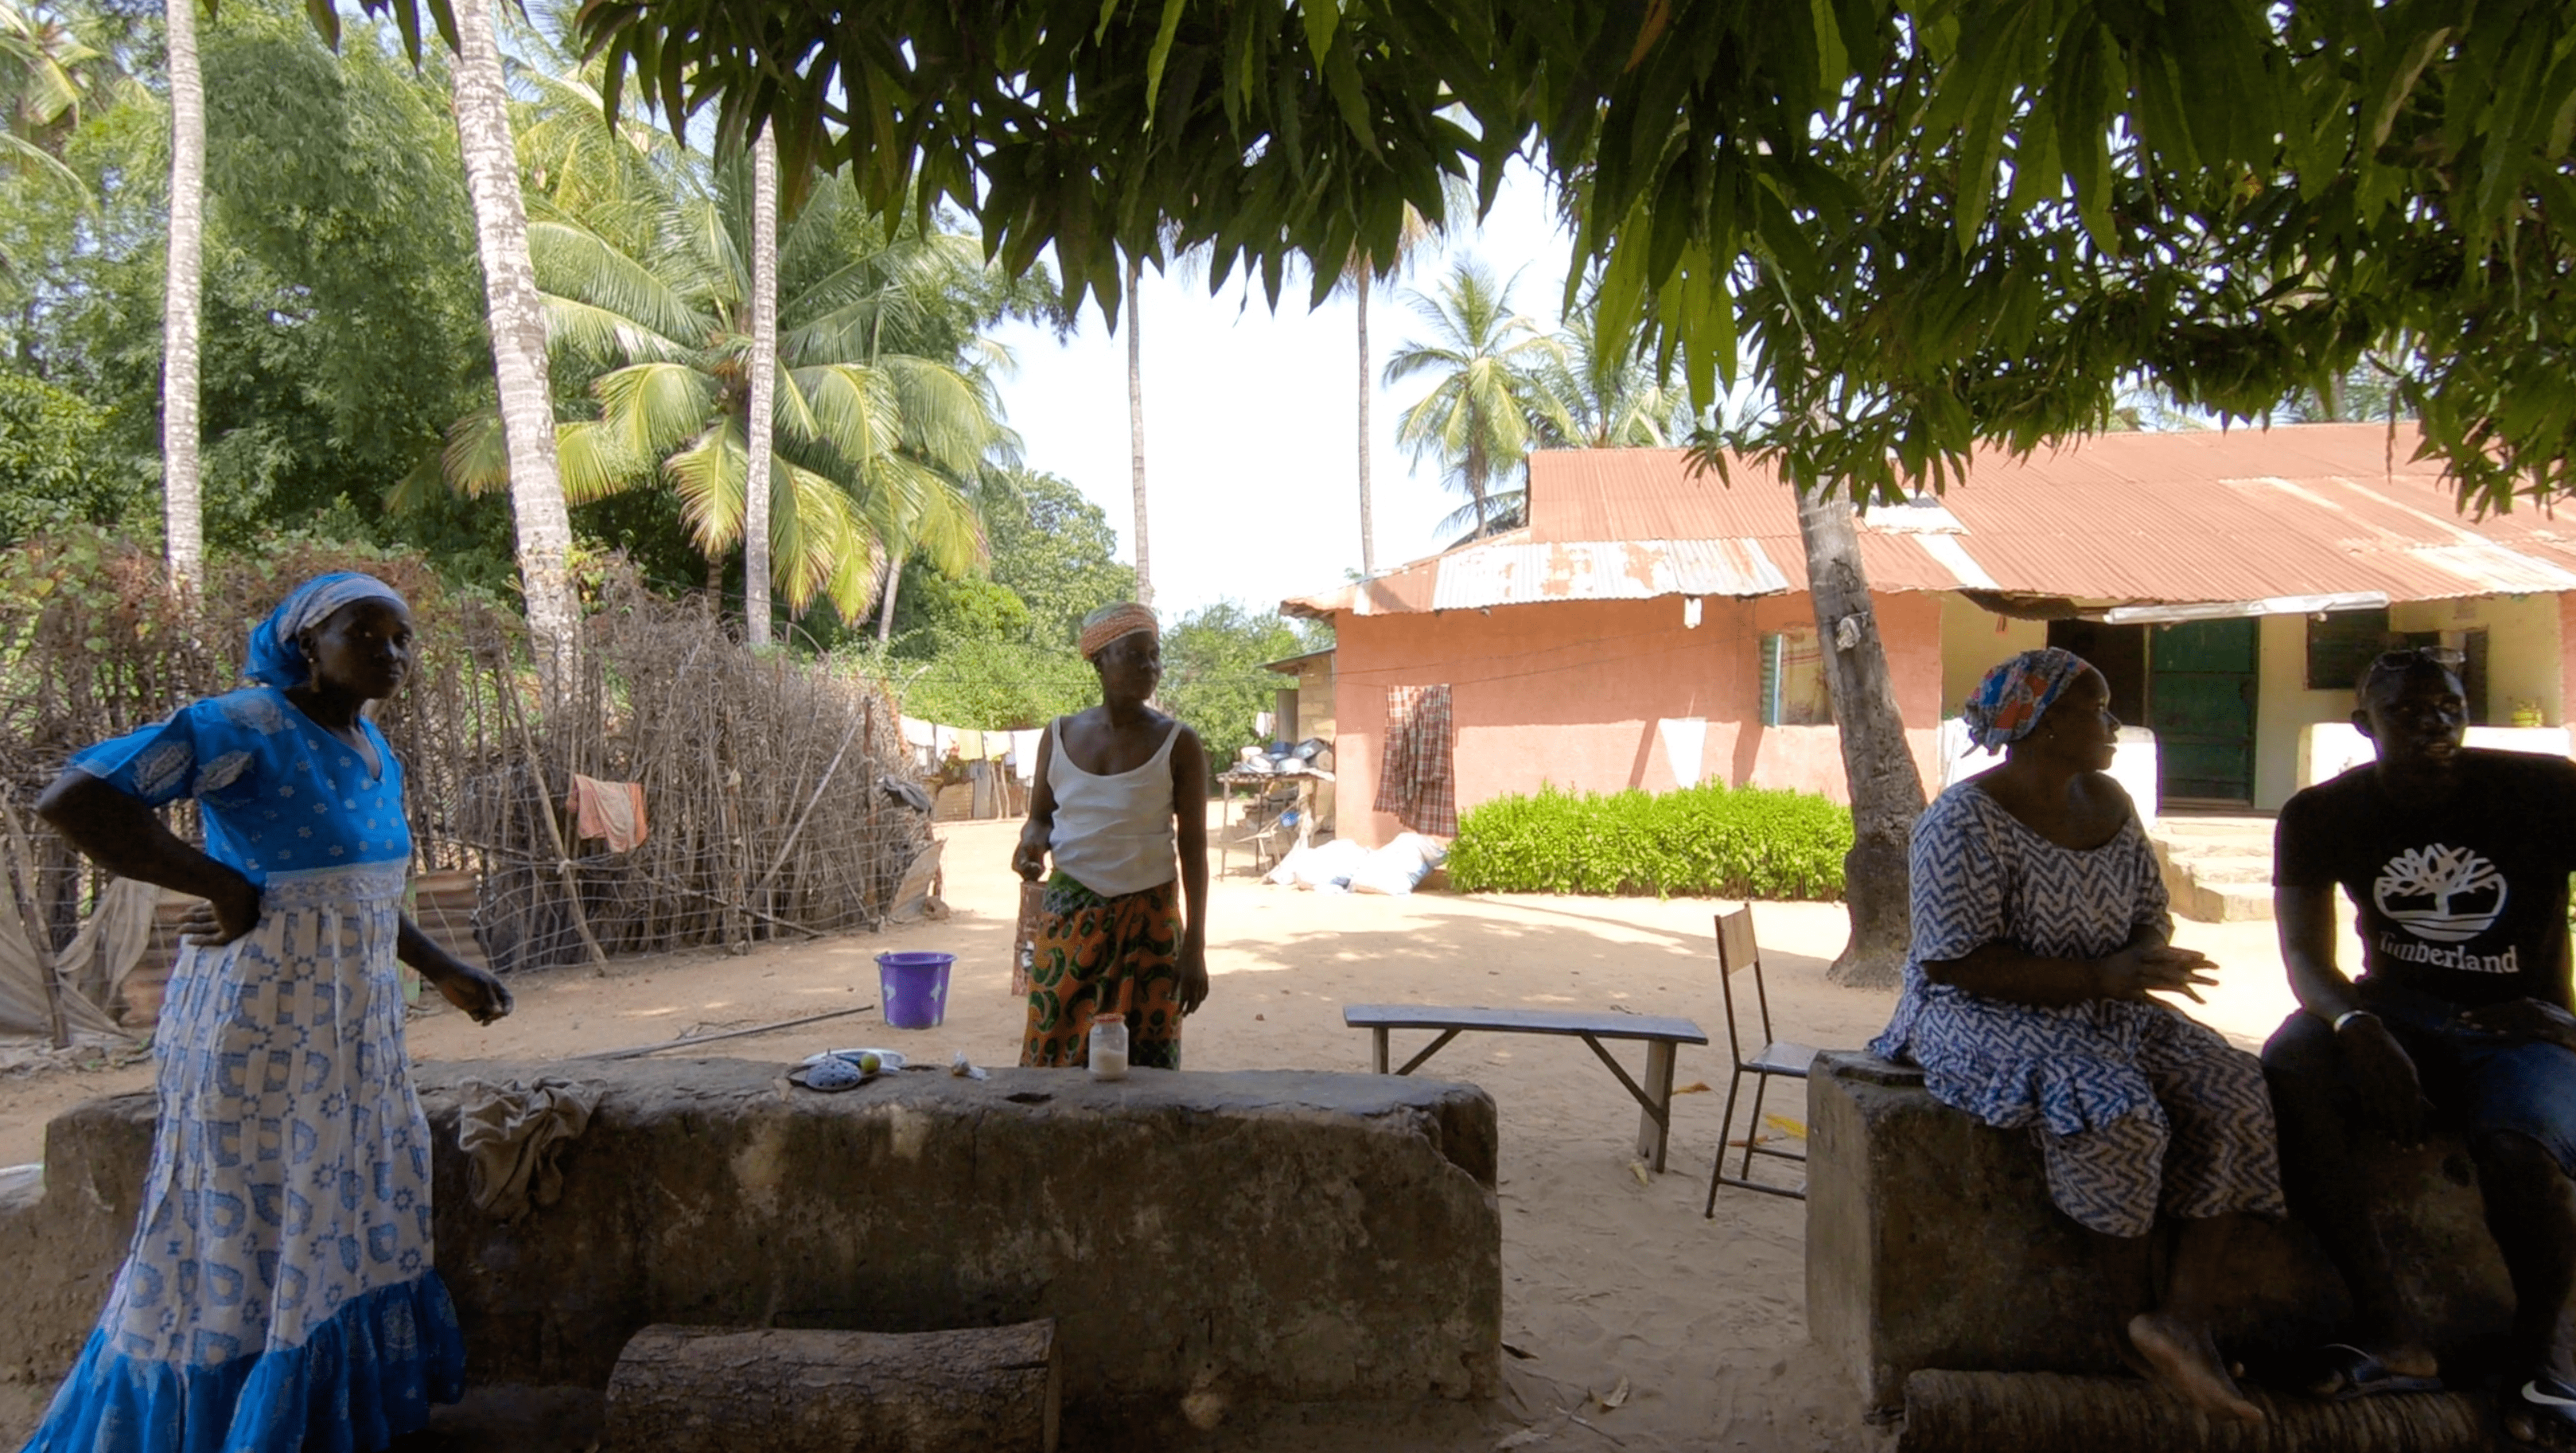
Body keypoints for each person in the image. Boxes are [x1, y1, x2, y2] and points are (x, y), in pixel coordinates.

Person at [19, 572, 512, 1453]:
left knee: (332, 1221)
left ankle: (318, 1421)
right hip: (260, 1029)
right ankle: (224, 1426)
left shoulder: (368, 744)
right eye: (367, 635)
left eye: (403, 639)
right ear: (305, 643)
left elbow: (357, 890)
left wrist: (441, 968)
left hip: (352, 1032)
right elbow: (77, 796)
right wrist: (219, 882)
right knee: (244, 1229)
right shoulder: (245, 725)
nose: (392, 654)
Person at [1868, 648, 2285, 1424]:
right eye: (2096, 710)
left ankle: (2181, 1320)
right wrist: (2100, 976)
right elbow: (1956, 961)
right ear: (2041, 721)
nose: (2112, 725)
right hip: (1977, 1012)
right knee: (2113, 1104)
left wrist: (2143, 960)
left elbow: (2143, 911)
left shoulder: (2112, 804)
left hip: (2102, 1001)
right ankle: (2128, 1322)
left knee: (2233, 1085)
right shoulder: (1960, 821)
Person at [2265, 647, 2576, 1430]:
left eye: (2448, 706)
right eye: (2406, 711)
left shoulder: (2544, 791)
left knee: (2519, 1142)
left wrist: (2564, 1022)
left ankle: (2541, 1360)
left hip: (2518, 1025)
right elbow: (2305, 954)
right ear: (2362, 723)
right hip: (2397, 1013)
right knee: (2290, 1067)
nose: (2433, 723)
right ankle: (2391, 1330)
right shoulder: (2323, 812)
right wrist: (2355, 1022)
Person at [1012, 601, 1210, 1069]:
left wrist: (1195, 947)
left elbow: (1194, 851)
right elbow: (1040, 818)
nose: (1151, 667)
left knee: (1145, 1069)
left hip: (1149, 924)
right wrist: (1030, 846)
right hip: (1069, 921)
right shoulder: (1058, 735)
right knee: (1051, 1056)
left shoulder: (1179, 744)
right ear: (1099, 659)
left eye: (1155, 655)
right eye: (1135, 654)